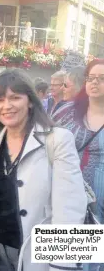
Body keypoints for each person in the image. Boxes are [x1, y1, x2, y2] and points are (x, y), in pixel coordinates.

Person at [0, 68, 87, 271]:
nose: (6, 106)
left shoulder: (58, 139)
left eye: (14, 98)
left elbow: (70, 209)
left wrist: (62, 266)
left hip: (39, 258)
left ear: (31, 101)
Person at [53, 59, 104, 271]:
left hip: (99, 198)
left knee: (95, 262)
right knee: (65, 260)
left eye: (102, 79)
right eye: (91, 78)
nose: (95, 83)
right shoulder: (66, 113)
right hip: (67, 194)